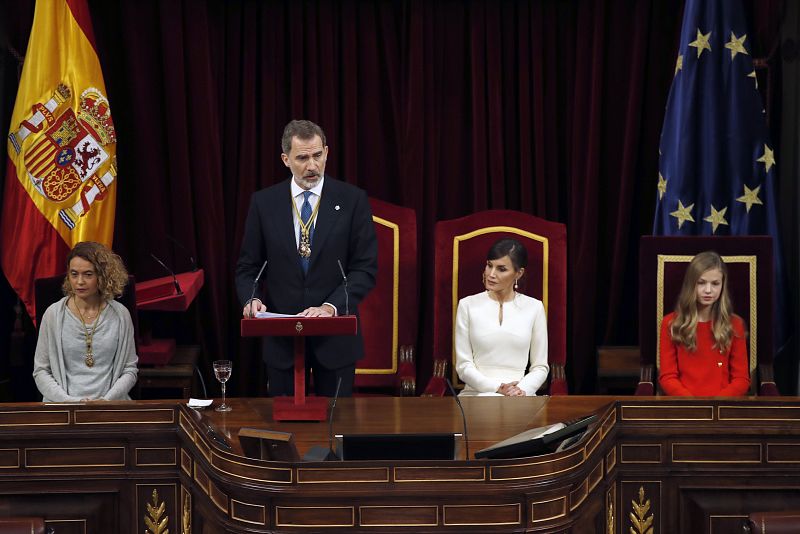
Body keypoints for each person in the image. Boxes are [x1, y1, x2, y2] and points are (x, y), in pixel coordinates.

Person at [235, 119, 377, 397]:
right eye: (302, 158)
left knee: (335, 431)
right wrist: (250, 298)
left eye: (317, 155)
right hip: (282, 341)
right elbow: (247, 267)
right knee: (283, 432)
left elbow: (365, 268)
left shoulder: (352, 200)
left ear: (327, 152)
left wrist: (329, 307)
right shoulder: (264, 203)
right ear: (286, 159)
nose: (311, 165)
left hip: (335, 340)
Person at [33, 242, 138, 402]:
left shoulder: (120, 315)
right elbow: (41, 371)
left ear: (102, 276)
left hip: (110, 407)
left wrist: (106, 401)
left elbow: (129, 370)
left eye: (88, 274)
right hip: (63, 408)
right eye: (74, 274)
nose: (79, 281)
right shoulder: (53, 314)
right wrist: (70, 402)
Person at [454, 238, 549, 396]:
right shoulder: (467, 305)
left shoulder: (535, 307)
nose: (491, 274)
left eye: (501, 269)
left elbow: (540, 367)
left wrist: (521, 390)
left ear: (518, 273)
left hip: (520, 397)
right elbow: (463, 366)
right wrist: (497, 388)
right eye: (489, 265)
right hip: (477, 394)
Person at [658, 251, 750, 396]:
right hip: (685, 408)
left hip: (722, 408)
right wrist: (693, 405)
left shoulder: (734, 324)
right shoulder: (671, 323)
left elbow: (741, 379)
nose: (708, 290)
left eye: (715, 284)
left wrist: (716, 405)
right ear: (691, 284)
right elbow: (668, 377)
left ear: (722, 285)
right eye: (701, 283)